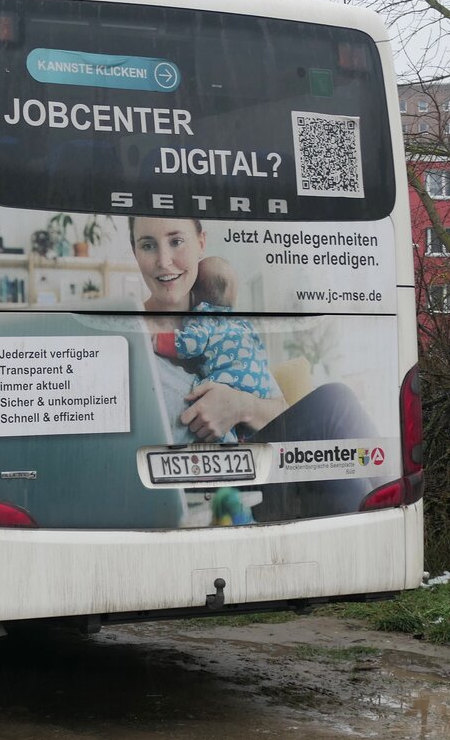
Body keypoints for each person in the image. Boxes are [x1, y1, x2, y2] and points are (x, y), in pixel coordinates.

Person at [130, 215, 378, 519]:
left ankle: (377, 523)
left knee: (336, 406)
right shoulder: (126, 338)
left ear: (201, 243)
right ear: (135, 253)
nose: (164, 261)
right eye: (148, 245)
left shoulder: (229, 326)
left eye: (176, 241)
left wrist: (239, 406)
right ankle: (377, 528)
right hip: (206, 493)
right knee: (335, 409)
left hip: (259, 470)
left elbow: (283, 417)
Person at [152, 255, 273, 443]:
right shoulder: (241, 324)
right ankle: (240, 437)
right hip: (259, 383)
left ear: (192, 296)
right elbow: (260, 354)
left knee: (212, 409)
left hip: (229, 383)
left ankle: (231, 442)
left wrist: (157, 341)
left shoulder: (204, 316)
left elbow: (190, 344)